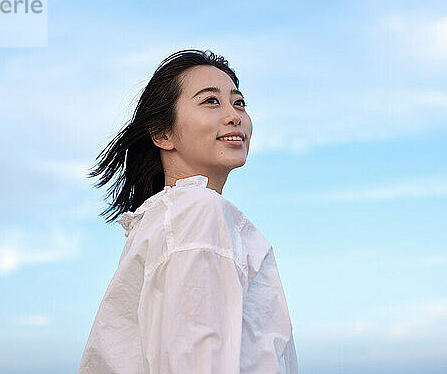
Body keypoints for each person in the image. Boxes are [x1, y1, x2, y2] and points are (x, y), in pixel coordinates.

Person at [79, 49, 298, 373]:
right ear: (162, 134)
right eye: (211, 101)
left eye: (238, 102)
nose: (234, 115)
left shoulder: (172, 218)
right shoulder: (197, 211)